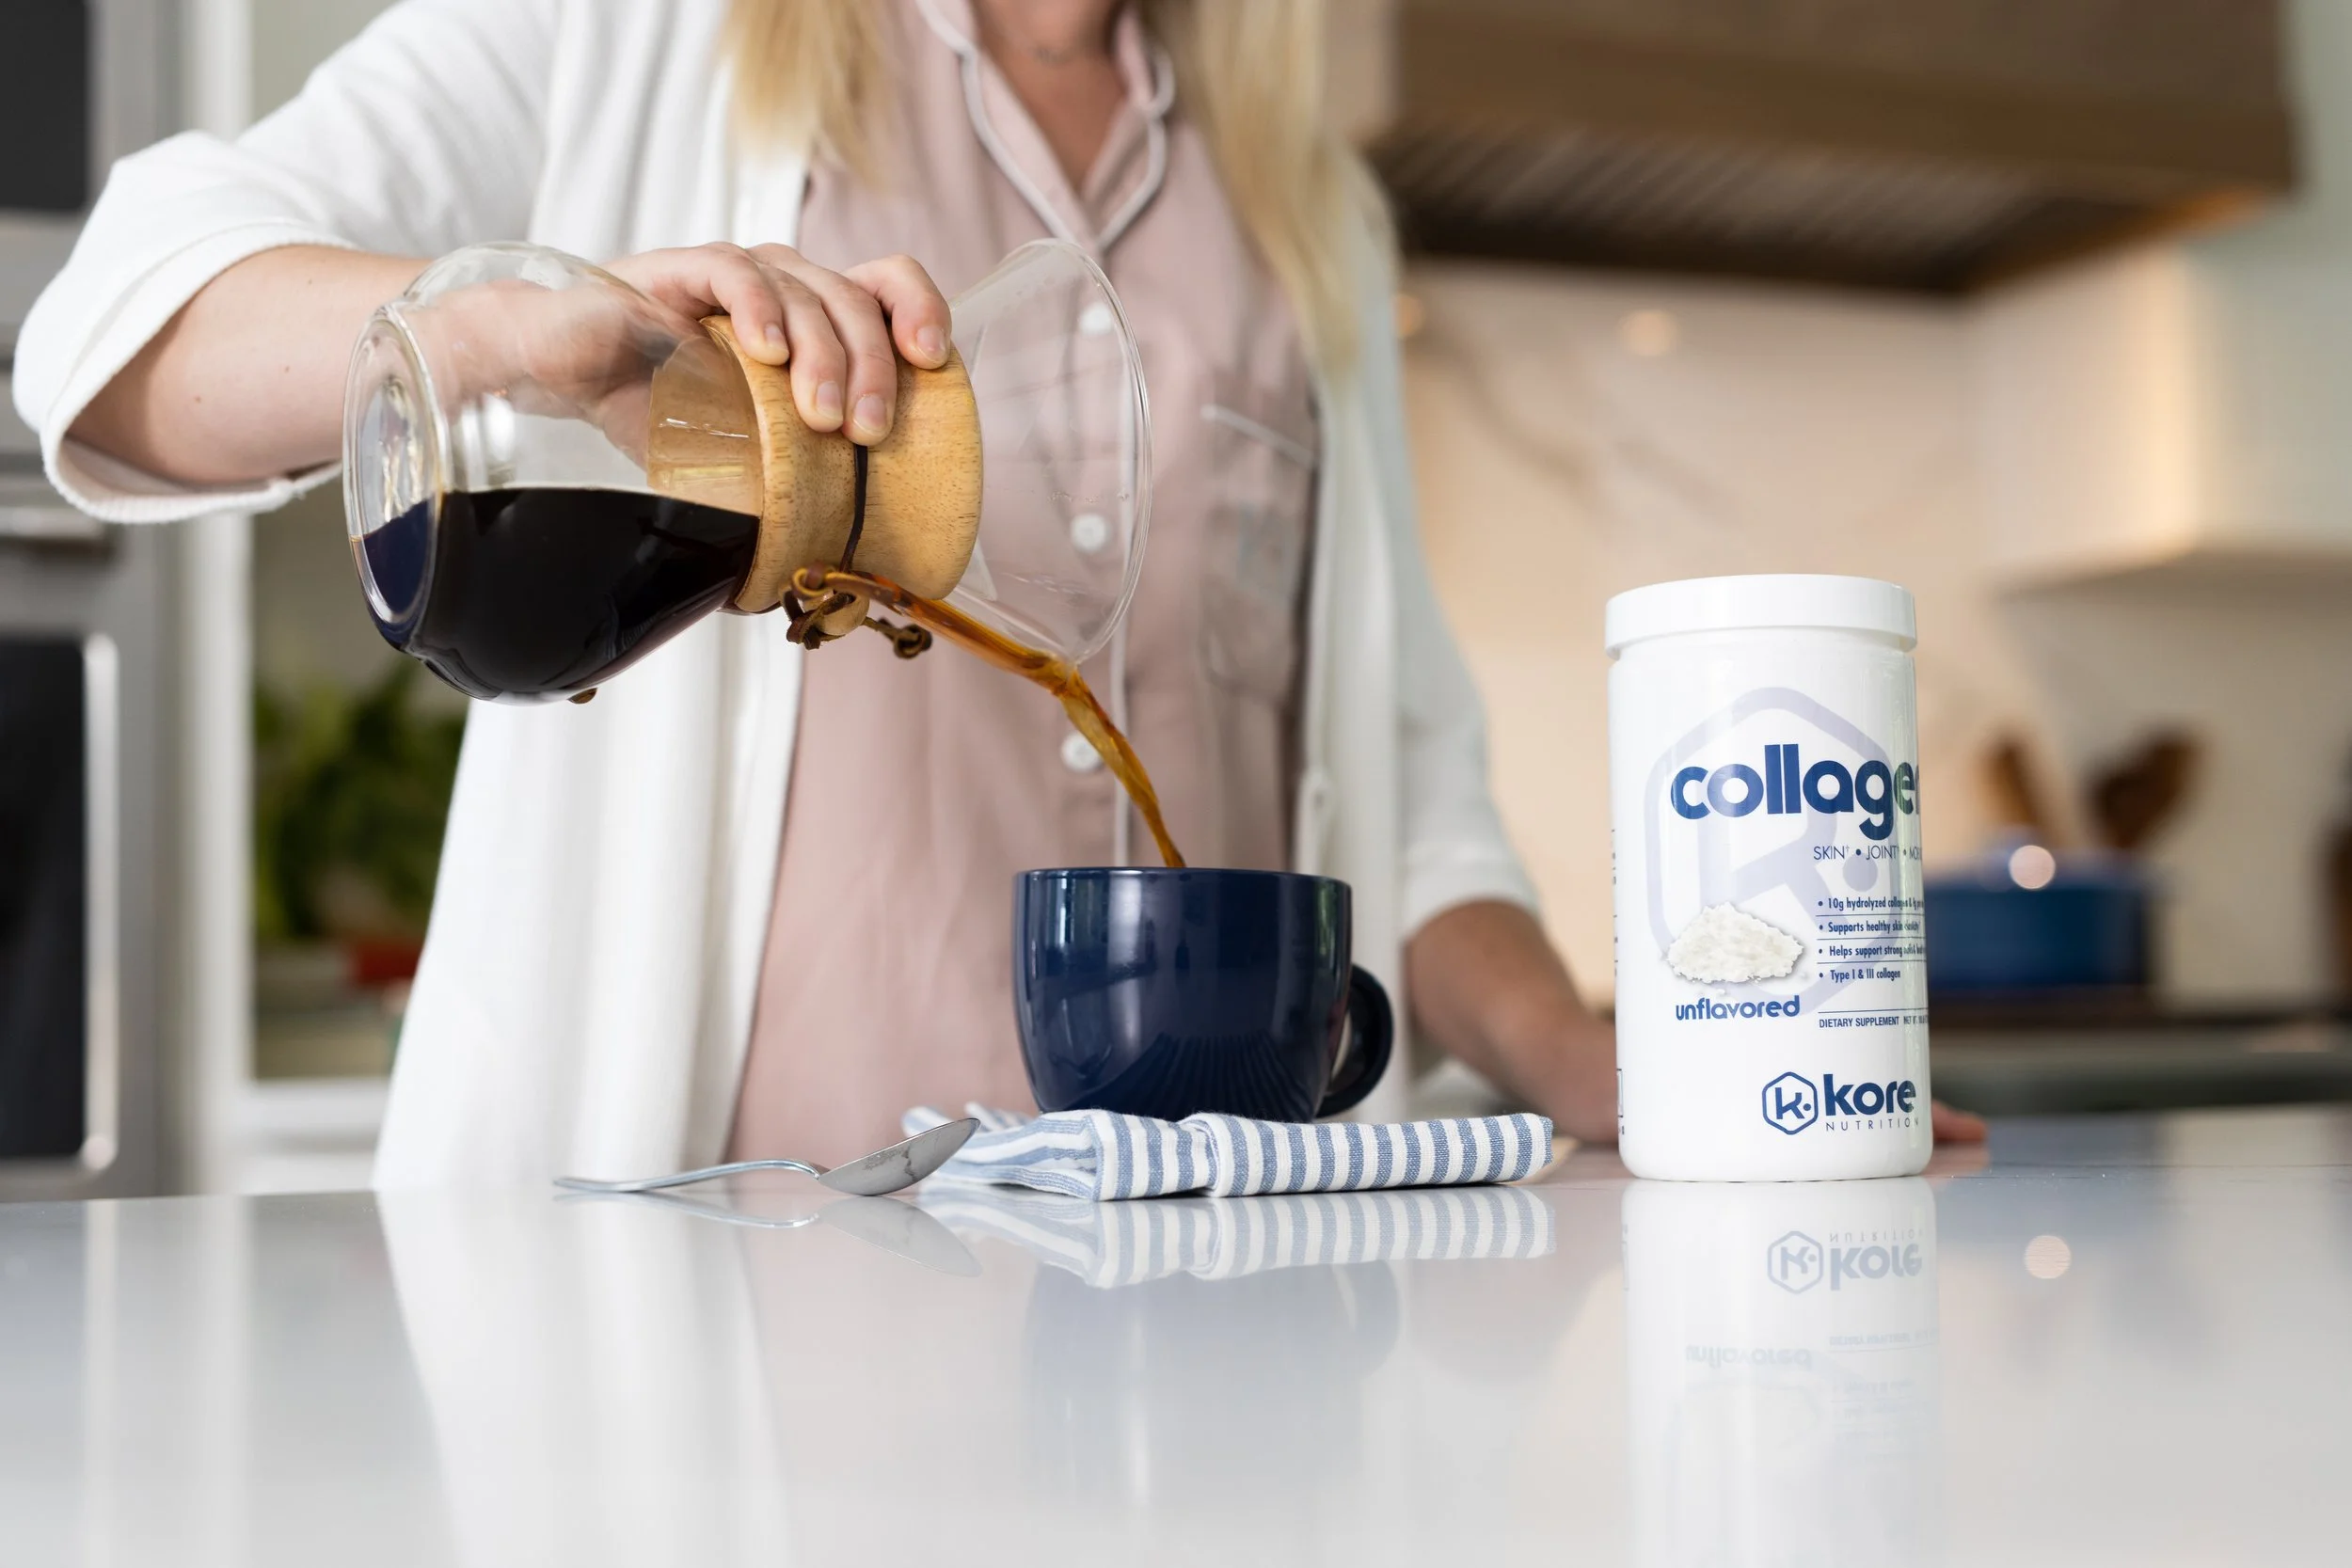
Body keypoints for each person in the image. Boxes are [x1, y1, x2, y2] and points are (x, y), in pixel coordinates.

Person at [18, 0, 1981, 1182]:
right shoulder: (639, 32)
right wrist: (517, 329)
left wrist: (1582, 1057)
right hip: (734, 1255)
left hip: (1216, 1274)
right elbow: (113, 337)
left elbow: (1394, 758)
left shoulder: (1304, 196)